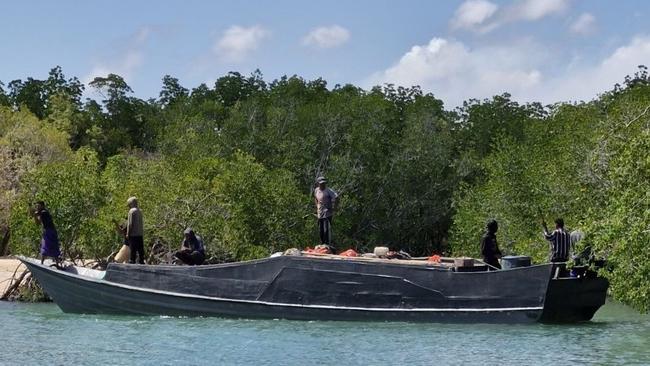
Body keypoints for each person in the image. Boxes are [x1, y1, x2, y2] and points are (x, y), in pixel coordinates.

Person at [32, 201, 61, 266]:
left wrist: (35, 213)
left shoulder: (44, 212)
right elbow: (38, 223)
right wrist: (34, 216)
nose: (37, 207)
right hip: (50, 231)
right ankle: (44, 263)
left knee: (47, 246)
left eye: (39, 206)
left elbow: (39, 214)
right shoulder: (41, 213)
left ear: (43, 206)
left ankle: (43, 264)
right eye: (37, 206)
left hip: (50, 231)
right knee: (49, 246)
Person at [313, 176, 338, 247]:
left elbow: (336, 197)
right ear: (318, 184)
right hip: (320, 212)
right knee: (320, 230)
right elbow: (315, 198)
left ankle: (327, 244)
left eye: (324, 183)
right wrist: (317, 206)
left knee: (326, 229)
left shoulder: (328, 191)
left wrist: (334, 207)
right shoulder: (316, 190)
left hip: (327, 212)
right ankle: (322, 243)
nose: (323, 185)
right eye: (321, 183)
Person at [126, 197, 145, 264]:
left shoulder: (131, 211)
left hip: (133, 234)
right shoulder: (140, 211)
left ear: (131, 203)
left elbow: (130, 224)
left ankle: (132, 260)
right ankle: (141, 261)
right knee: (140, 249)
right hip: (140, 233)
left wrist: (128, 233)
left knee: (133, 248)